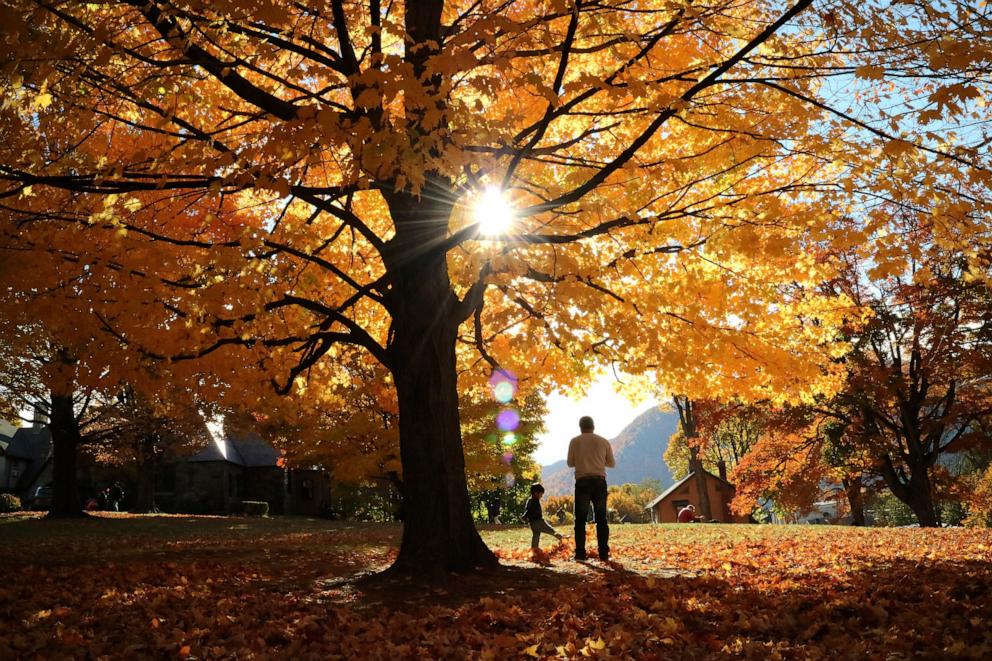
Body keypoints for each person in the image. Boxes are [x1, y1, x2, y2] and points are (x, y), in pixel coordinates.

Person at [567, 416, 615, 561]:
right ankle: (603, 554)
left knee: (580, 519)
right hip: (599, 481)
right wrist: (599, 461)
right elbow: (611, 463)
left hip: (582, 482)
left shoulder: (575, 441)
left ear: (580, 427)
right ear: (593, 426)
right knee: (601, 519)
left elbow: (570, 463)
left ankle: (580, 554)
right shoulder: (603, 441)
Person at [521, 483, 565, 550]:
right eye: (541, 494)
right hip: (538, 521)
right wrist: (525, 516)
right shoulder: (533, 501)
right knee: (551, 531)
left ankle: (534, 549)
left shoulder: (530, 500)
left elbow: (528, 510)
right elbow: (529, 510)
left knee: (536, 535)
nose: (541, 496)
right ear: (536, 493)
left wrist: (525, 517)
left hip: (532, 523)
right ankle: (564, 540)